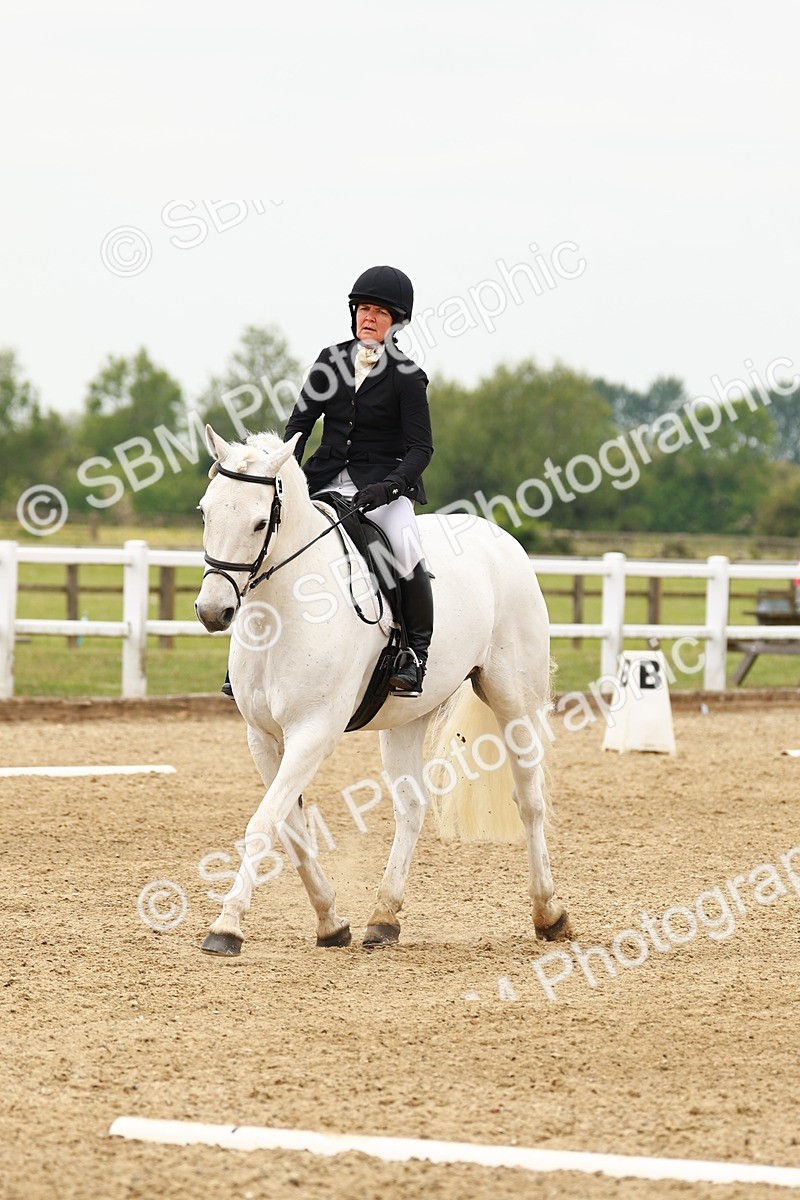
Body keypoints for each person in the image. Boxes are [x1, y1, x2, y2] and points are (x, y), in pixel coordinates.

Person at [282, 265, 434, 697]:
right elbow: (299, 426)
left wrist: (390, 487)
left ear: (396, 322)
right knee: (270, 537)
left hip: (382, 488)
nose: (369, 317)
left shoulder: (408, 376)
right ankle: (248, 656)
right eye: (364, 309)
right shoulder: (329, 361)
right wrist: (283, 475)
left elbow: (421, 449)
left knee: (404, 548)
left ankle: (415, 655)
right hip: (323, 478)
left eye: (380, 312)